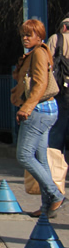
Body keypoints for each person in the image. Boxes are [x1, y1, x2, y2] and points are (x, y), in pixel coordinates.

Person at [12, 19, 65, 219]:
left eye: (29, 34)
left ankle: (55, 194)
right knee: (41, 159)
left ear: (39, 36)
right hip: (46, 110)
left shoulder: (39, 54)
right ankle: (47, 206)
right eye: (23, 34)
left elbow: (40, 83)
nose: (25, 38)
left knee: (24, 155)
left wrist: (26, 108)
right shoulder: (37, 52)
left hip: (39, 111)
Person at [46, 15, 69, 153]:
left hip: (61, 89)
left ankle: (55, 160)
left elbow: (46, 63)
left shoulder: (56, 38)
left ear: (64, 27)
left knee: (59, 125)